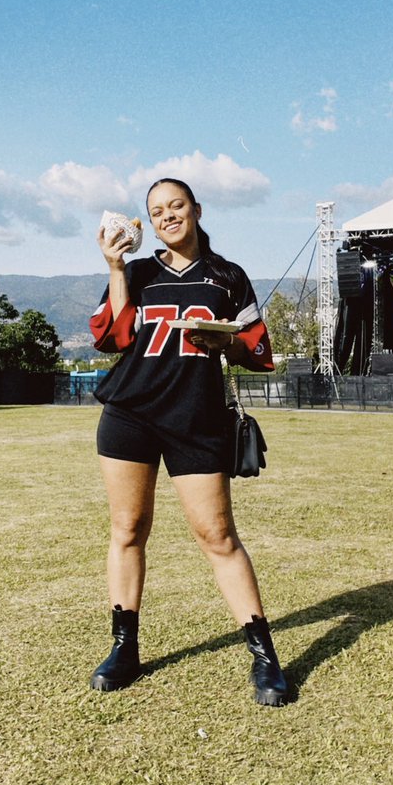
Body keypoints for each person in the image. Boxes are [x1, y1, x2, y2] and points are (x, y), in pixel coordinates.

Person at [88, 177, 288, 707]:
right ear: (148, 221)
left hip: (196, 418)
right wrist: (113, 268)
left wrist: (225, 341)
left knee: (218, 536)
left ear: (196, 209)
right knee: (128, 529)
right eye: (156, 211)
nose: (168, 216)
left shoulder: (227, 275)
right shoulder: (138, 270)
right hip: (130, 413)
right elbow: (111, 337)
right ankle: (124, 648)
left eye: (176, 205)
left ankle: (265, 658)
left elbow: (258, 350)